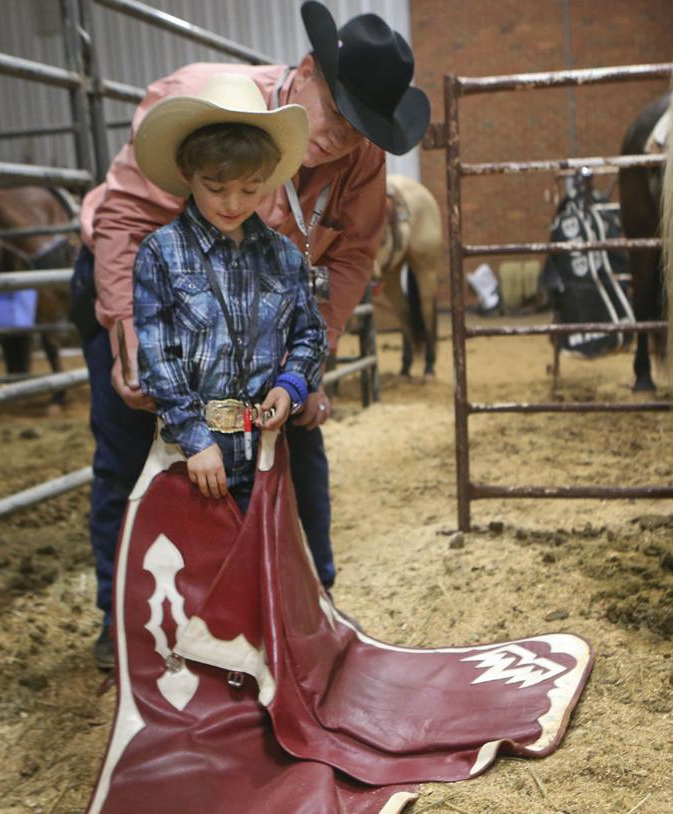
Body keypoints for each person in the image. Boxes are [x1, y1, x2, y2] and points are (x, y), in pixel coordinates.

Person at [72, 0, 431, 670]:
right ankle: (119, 618)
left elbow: (351, 254)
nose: (341, 137)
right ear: (304, 74)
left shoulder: (359, 156)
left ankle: (308, 601)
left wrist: (308, 363)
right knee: (130, 445)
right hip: (139, 285)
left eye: (361, 127)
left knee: (296, 436)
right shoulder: (199, 108)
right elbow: (122, 218)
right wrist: (126, 329)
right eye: (336, 109)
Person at [132, 73, 325, 512]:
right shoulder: (161, 254)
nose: (234, 203)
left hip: (266, 454)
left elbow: (310, 334)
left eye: (250, 188)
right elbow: (158, 358)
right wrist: (195, 441)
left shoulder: (285, 257)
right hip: (189, 459)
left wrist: (292, 383)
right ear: (188, 174)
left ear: (266, 180)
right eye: (216, 189)